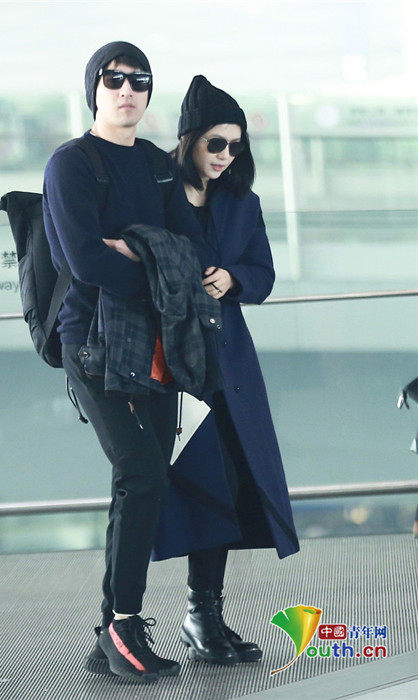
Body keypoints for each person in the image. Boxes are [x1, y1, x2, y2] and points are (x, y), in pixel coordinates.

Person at [42, 44, 215, 684]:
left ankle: (112, 633)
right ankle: (123, 622)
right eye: (114, 79)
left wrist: (138, 252)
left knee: (143, 479)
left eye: (139, 81)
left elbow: (189, 249)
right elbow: (86, 261)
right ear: (94, 87)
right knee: (141, 474)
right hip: (90, 343)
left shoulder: (157, 166)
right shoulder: (72, 164)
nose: (127, 91)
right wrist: (155, 262)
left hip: (156, 342)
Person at [151, 75, 300, 665]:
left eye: (235, 146)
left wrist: (232, 278)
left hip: (228, 366)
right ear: (188, 138)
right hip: (171, 365)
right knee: (186, 489)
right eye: (216, 143)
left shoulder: (242, 202)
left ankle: (203, 615)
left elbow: (262, 275)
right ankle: (130, 620)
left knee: (230, 486)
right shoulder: (155, 190)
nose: (225, 156)